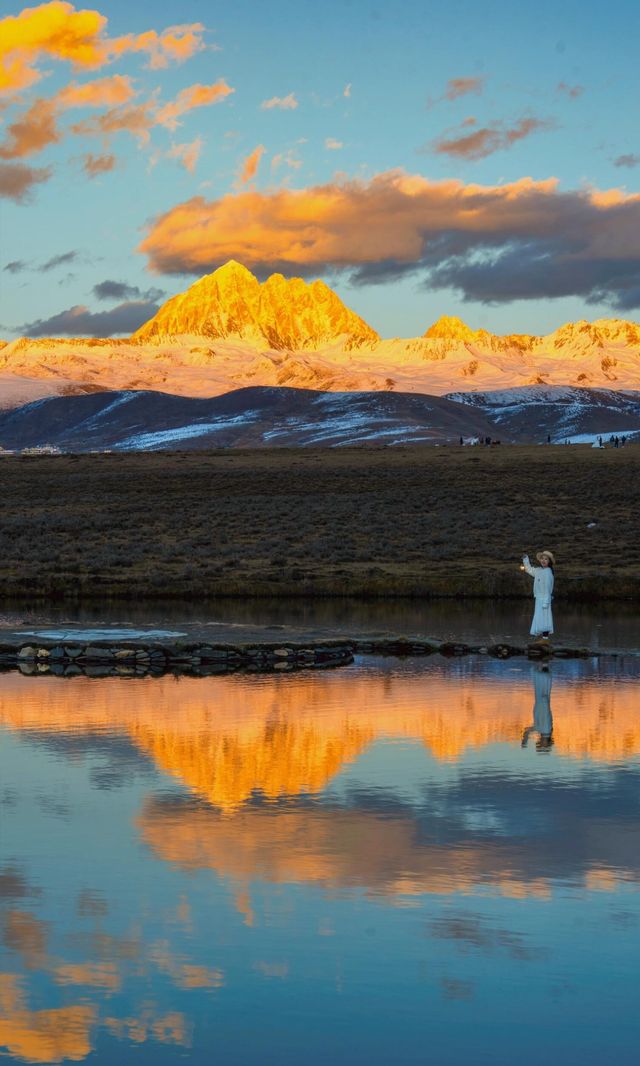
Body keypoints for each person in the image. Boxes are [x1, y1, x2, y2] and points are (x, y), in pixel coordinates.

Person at [520, 550, 555, 641]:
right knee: (540, 618)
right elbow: (529, 570)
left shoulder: (548, 572)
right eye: (542, 559)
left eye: (546, 559)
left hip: (544, 599)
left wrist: (546, 602)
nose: (543, 560)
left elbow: (548, 588)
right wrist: (525, 559)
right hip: (539, 598)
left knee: (545, 618)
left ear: (549, 562)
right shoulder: (539, 570)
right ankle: (541, 639)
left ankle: (545, 639)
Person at [521, 665, 554, 751]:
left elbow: (528, 730)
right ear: (546, 743)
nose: (539, 742)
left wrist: (525, 740)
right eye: (542, 744)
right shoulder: (546, 730)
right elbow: (546, 716)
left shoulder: (544, 731)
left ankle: (542, 668)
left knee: (540, 682)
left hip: (542, 702)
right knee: (541, 683)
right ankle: (542, 668)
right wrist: (525, 739)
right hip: (542, 703)